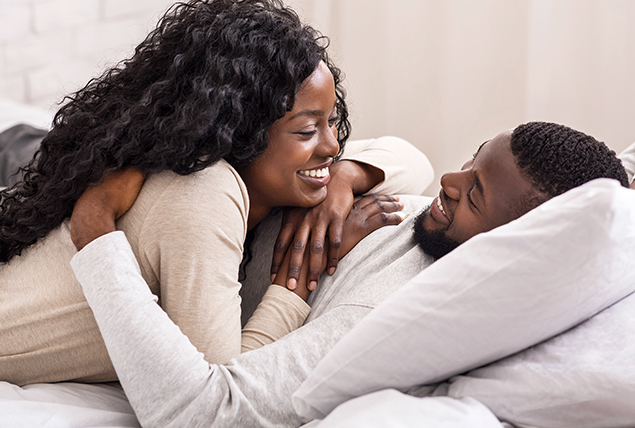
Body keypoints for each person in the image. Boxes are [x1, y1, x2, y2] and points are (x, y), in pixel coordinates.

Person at [69, 121, 630, 427]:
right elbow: (415, 160)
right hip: (214, 178)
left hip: (164, 225)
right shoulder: (438, 228)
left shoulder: (391, 314)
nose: (451, 182)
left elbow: (203, 410)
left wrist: (94, 232)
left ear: (516, 243)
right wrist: (346, 174)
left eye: (474, 195)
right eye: (474, 157)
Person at [0, 0, 431, 386]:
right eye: (306, 129)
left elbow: (414, 163)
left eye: (332, 121)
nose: (332, 146)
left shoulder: (232, 168)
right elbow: (220, 387)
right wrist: (294, 284)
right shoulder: (205, 190)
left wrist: (343, 180)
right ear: (235, 133)